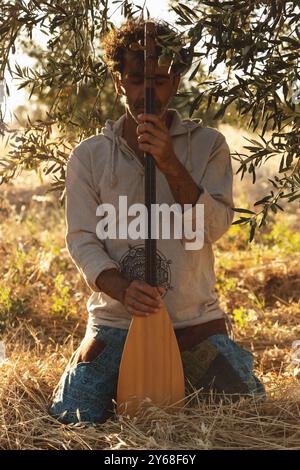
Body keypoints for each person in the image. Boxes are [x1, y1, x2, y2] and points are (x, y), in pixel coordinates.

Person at [49, 18, 265, 425]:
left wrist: (168, 162)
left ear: (178, 82)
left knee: (247, 415)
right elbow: (81, 239)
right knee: (72, 420)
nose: (148, 93)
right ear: (118, 83)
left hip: (194, 323)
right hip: (115, 324)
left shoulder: (209, 147)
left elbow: (215, 228)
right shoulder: (90, 156)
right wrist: (122, 289)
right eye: (135, 80)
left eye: (161, 81)